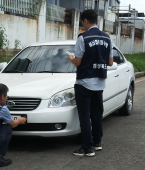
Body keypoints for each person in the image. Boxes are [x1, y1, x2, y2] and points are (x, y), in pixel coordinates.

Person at [67, 9, 113, 157]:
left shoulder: (83, 38)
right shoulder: (107, 38)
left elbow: (78, 62)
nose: (83, 25)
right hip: (99, 83)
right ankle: (97, 143)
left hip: (84, 82)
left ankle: (87, 148)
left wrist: (71, 59)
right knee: (97, 114)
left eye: (82, 22)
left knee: (84, 116)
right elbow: (111, 62)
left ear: (85, 21)